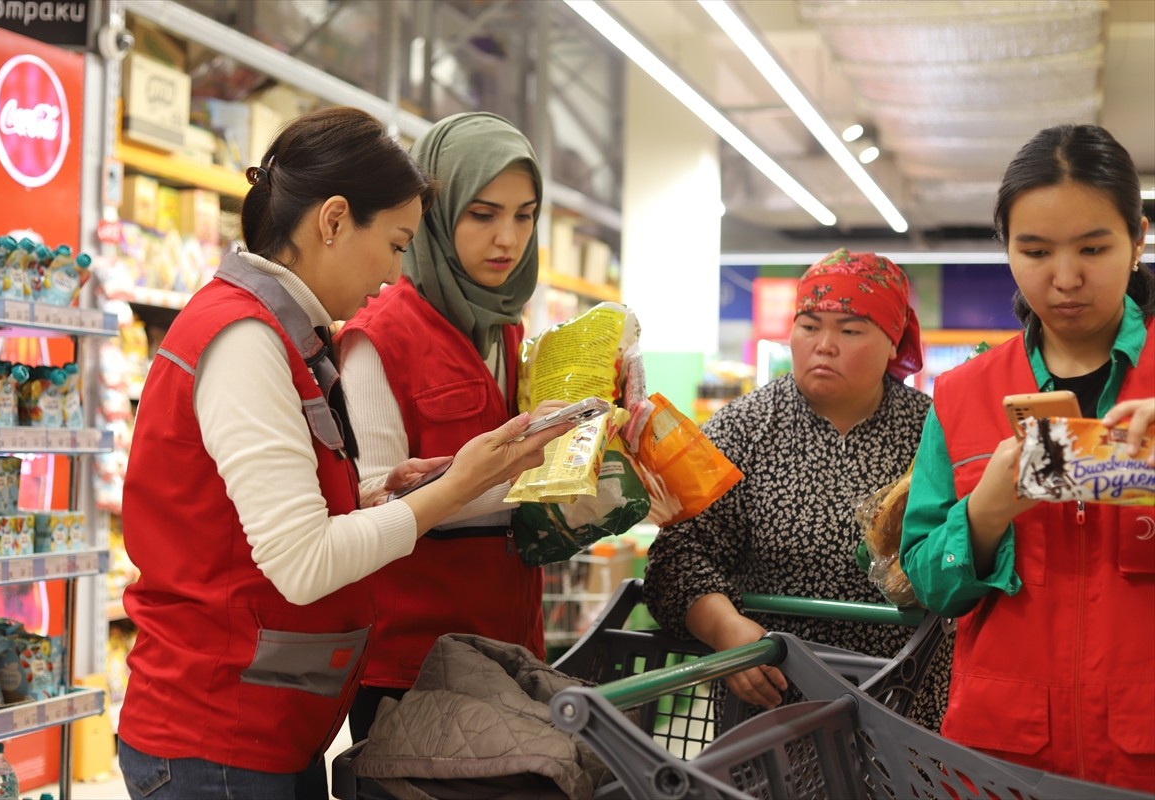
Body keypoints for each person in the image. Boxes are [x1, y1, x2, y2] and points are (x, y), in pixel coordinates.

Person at [116, 107, 572, 800]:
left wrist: (379, 493)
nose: (394, 273)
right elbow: (302, 564)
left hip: (264, 724)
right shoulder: (246, 342)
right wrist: (446, 495)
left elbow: (257, 523)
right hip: (217, 737)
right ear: (332, 222)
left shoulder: (280, 334)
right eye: (394, 244)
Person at [900, 124, 1154, 791]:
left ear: (1138, 240)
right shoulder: (962, 396)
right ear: (1006, 250)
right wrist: (981, 516)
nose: (1065, 279)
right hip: (1000, 757)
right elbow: (927, 581)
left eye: (1093, 248)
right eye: (1035, 250)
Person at [644, 248, 951, 732]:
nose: (824, 345)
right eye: (809, 326)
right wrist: (729, 633)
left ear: (894, 341)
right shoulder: (743, 429)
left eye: (850, 330)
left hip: (905, 703)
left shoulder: (935, 431)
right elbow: (678, 556)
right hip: (775, 704)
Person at [337, 111, 549, 742]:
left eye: (525, 214)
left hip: (512, 652)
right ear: (435, 209)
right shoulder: (378, 336)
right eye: (482, 214)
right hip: (413, 666)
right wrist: (517, 477)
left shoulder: (507, 330)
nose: (507, 238)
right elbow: (371, 497)